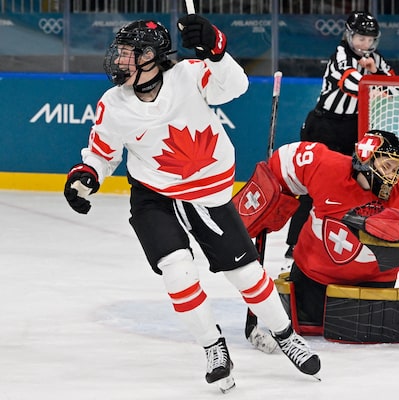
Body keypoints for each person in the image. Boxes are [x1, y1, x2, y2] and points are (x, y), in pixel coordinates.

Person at [62, 16, 320, 393]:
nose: (120, 61)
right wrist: (87, 174)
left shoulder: (189, 75)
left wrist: (216, 50)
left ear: (152, 57)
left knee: (246, 274)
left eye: (130, 53)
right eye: (120, 53)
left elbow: (235, 86)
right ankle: (214, 348)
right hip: (154, 197)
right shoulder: (113, 104)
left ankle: (285, 335)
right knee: (178, 272)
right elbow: (102, 153)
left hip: (207, 193)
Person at [265, 130, 399, 325]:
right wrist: (269, 199)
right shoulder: (326, 166)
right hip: (312, 282)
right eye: (387, 166)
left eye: (396, 169)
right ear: (366, 157)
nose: (391, 176)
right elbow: (283, 160)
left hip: (371, 292)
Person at [285, 10, 396, 259]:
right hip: (324, 127)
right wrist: (373, 83)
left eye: (370, 39)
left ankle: (343, 239)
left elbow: (395, 86)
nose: (365, 44)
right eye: (360, 38)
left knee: (354, 185)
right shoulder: (340, 54)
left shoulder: (376, 59)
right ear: (349, 35)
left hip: (353, 129)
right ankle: (296, 244)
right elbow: (350, 83)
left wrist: (375, 72)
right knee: (312, 187)